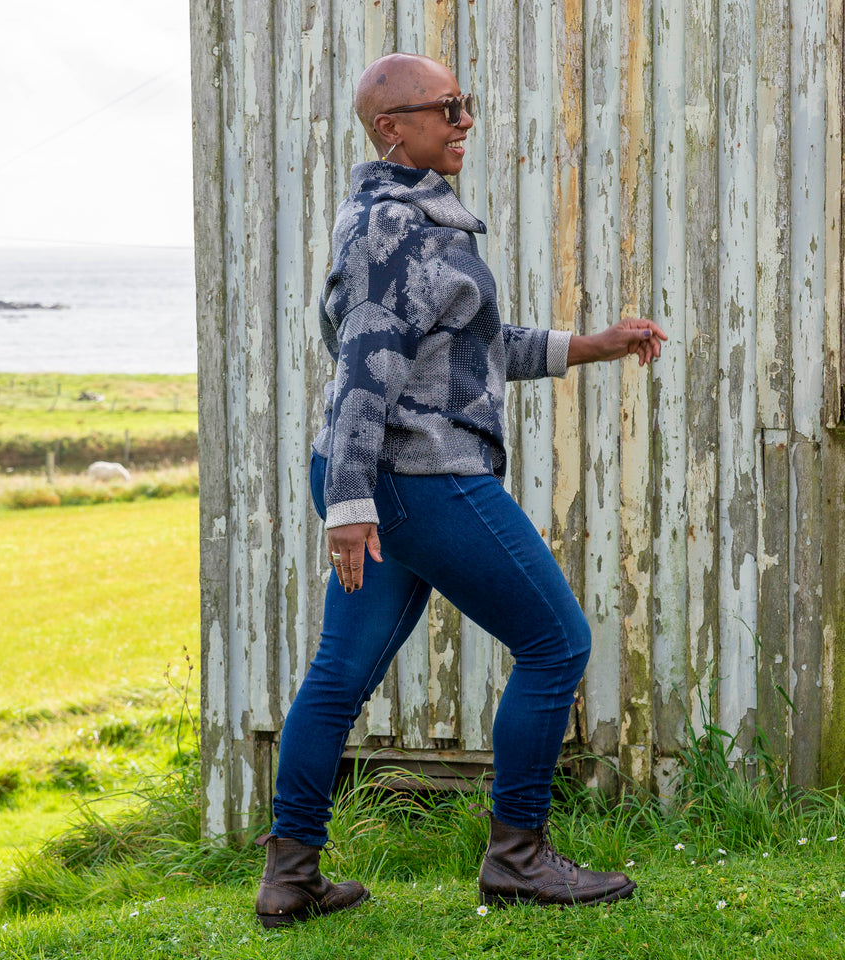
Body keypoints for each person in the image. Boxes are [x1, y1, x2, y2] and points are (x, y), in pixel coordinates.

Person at [254, 52, 667, 928]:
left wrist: (591, 344)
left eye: (464, 103)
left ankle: (290, 878)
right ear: (390, 128)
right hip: (413, 473)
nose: (464, 119)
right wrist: (352, 506)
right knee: (556, 643)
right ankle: (518, 859)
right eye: (446, 107)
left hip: (386, 474)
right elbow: (368, 364)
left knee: (340, 674)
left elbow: (464, 353)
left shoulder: (417, 222)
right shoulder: (388, 229)